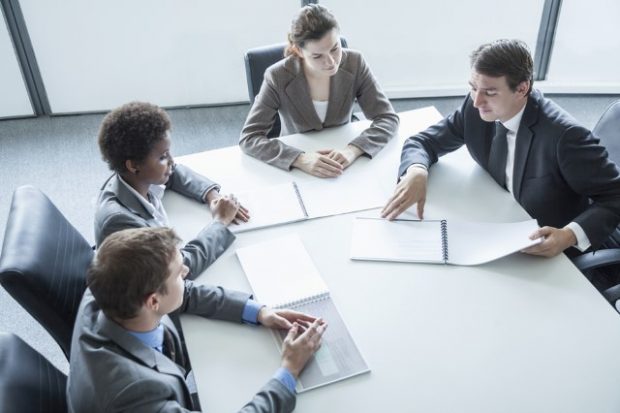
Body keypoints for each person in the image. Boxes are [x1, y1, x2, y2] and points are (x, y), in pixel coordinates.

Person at [382, 39, 620, 263]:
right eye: (473, 88)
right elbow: (424, 142)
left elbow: (615, 196)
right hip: (500, 226)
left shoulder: (566, 137)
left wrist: (568, 235)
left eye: (490, 92)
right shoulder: (476, 107)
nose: (477, 101)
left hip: (552, 249)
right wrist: (416, 171)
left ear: (522, 89)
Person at [67, 227, 326, 413]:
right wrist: (289, 371)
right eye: (179, 274)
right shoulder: (138, 395)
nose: (187, 273)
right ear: (153, 301)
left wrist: (258, 312)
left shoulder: (109, 286)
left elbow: (186, 293)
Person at [239, 4, 399, 177]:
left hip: (343, 157)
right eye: (317, 56)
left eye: (335, 48)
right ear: (298, 51)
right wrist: (299, 159)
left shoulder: (355, 62)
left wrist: (353, 150)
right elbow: (249, 138)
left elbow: (388, 118)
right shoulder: (277, 76)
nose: (331, 61)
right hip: (297, 164)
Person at [96, 101, 249, 279]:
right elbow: (181, 268)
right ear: (133, 165)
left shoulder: (131, 178)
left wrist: (212, 195)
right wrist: (220, 222)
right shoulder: (121, 223)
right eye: (162, 156)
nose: (172, 161)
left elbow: (175, 172)